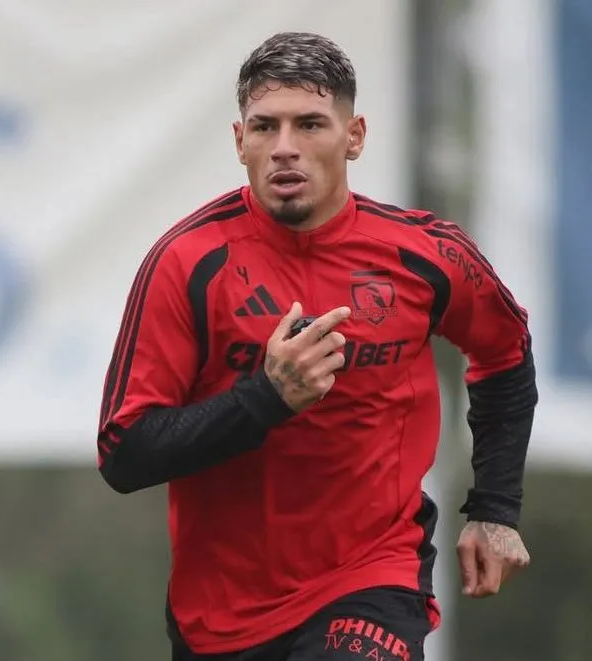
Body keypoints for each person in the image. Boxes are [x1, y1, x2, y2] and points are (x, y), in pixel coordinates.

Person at [96, 32, 536, 661]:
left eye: (309, 125)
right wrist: (266, 398)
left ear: (354, 136)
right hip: (221, 613)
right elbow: (124, 454)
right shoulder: (185, 262)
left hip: (373, 578)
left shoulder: (428, 255)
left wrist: (495, 508)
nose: (284, 149)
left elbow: (506, 356)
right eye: (264, 127)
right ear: (239, 141)